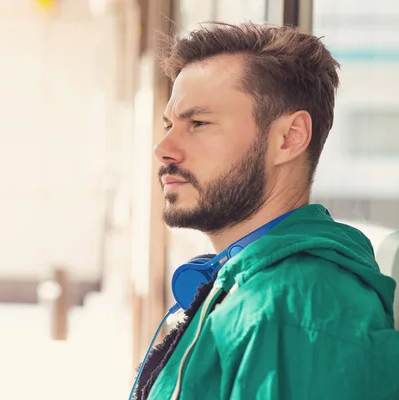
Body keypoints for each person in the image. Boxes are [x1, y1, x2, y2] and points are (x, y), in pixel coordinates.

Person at [132, 22, 399, 400]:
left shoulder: (294, 309)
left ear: (289, 139)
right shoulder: (245, 283)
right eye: (170, 124)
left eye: (199, 123)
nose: (164, 147)